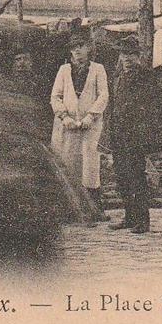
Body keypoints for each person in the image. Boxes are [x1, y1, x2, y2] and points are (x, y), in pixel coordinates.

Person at [107, 44, 162, 234]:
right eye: (125, 54)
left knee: (136, 177)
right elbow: (113, 103)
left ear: (138, 56)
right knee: (122, 177)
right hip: (118, 133)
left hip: (135, 135)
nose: (128, 59)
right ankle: (129, 216)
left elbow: (153, 106)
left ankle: (142, 220)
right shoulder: (117, 76)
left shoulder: (146, 76)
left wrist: (145, 132)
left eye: (132, 55)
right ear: (120, 56)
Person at [50, 34, 109, 213]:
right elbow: (55, 96)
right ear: (70, 50)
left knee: (90, 165)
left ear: (88, 48)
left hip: (90, 125)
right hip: (66, 126)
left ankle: (94, 209)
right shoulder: (64, 70)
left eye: (81, 46)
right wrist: (64, 116)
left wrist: (90, 117)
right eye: (74, 47)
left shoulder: (98, 69)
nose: (77, 50)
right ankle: (69, 209)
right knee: (67, 163)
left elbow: (103, 95)